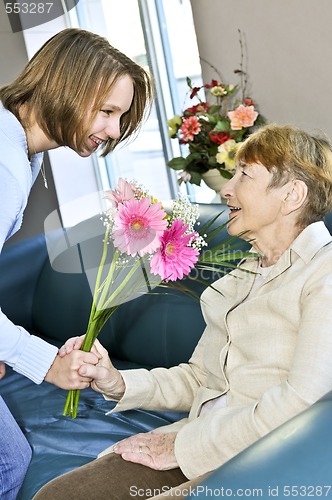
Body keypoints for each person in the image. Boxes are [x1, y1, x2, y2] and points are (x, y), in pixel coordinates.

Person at [33, 124, 332, 500]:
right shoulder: (246, 273)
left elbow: (302, 404)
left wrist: (183, 448)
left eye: (244, 175)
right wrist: (118, 382)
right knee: (58, 496)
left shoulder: (325, 274)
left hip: (264, 462)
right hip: (197, 444)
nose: (227, 189)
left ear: (292, 194)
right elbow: (200, 377)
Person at [0, 27, 153, 499]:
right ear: (64, 85)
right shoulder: (5, 163)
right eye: (106, 111)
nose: (111, 131)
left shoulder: (25, 152)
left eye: (120, 116)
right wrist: (44, 363)